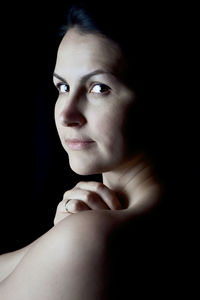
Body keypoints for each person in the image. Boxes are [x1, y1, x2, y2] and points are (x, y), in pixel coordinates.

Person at [0, 2, 175, 299]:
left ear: (156, 97)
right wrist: (57, 238)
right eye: (63, 87)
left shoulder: (90, 239)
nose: (67, 114)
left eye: (98, 88)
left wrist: (74, 236)